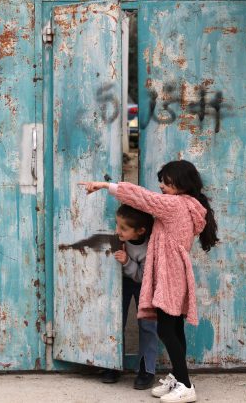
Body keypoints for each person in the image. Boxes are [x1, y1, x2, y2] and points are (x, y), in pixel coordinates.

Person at [81, 160, 218, 403]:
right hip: (175, 273)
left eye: (166, 181)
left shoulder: (175, 205)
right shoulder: (187, 204)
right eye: (161, 180)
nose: (161, 185)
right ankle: (179, 377)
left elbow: (142, 198)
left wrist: (104, 185)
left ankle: (186, 386)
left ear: (182, 184)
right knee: (175, 328)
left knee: (166, 329)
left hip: (169, 275)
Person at [101, 204, 158, 390]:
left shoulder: (148, 248)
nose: (118, 231)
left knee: (147, 325)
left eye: (123, 228)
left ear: (140, 231)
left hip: (143, 284)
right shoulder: (118, 237)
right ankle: (112, 363)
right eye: (117, 225)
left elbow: (142, 276)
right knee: (116, 321)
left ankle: (146, 368)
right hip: (120, 282)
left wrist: (126, 261)